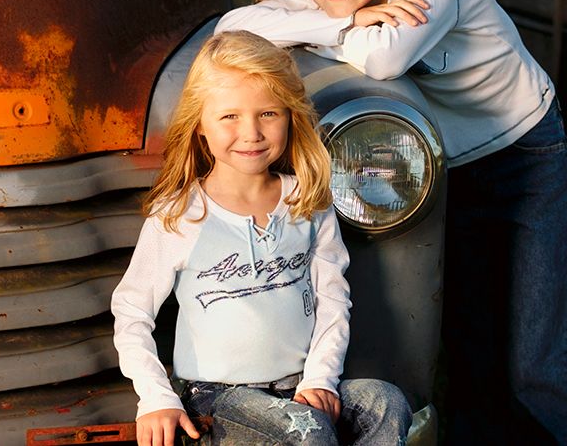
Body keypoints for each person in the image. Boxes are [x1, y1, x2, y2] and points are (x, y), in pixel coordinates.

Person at [215, 0, 567, 444]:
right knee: (466, 339)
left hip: (523, 158)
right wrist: (344, 19)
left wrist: (332, 29)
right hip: (444, 169)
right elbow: (233, 26)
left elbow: (383, 60)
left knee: (529, 358)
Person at [111, 30, 412, 446]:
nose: (251, 132)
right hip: (218, 399)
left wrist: (320, 379)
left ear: (290, 116)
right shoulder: (181, 214)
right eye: (229, 117)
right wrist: (156, 397)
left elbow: (332, 298)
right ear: (200, 125)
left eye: (268, 113)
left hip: (296, 387)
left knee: (385, 403)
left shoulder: (308, 202)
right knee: (306, 434)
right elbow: (131, 311)